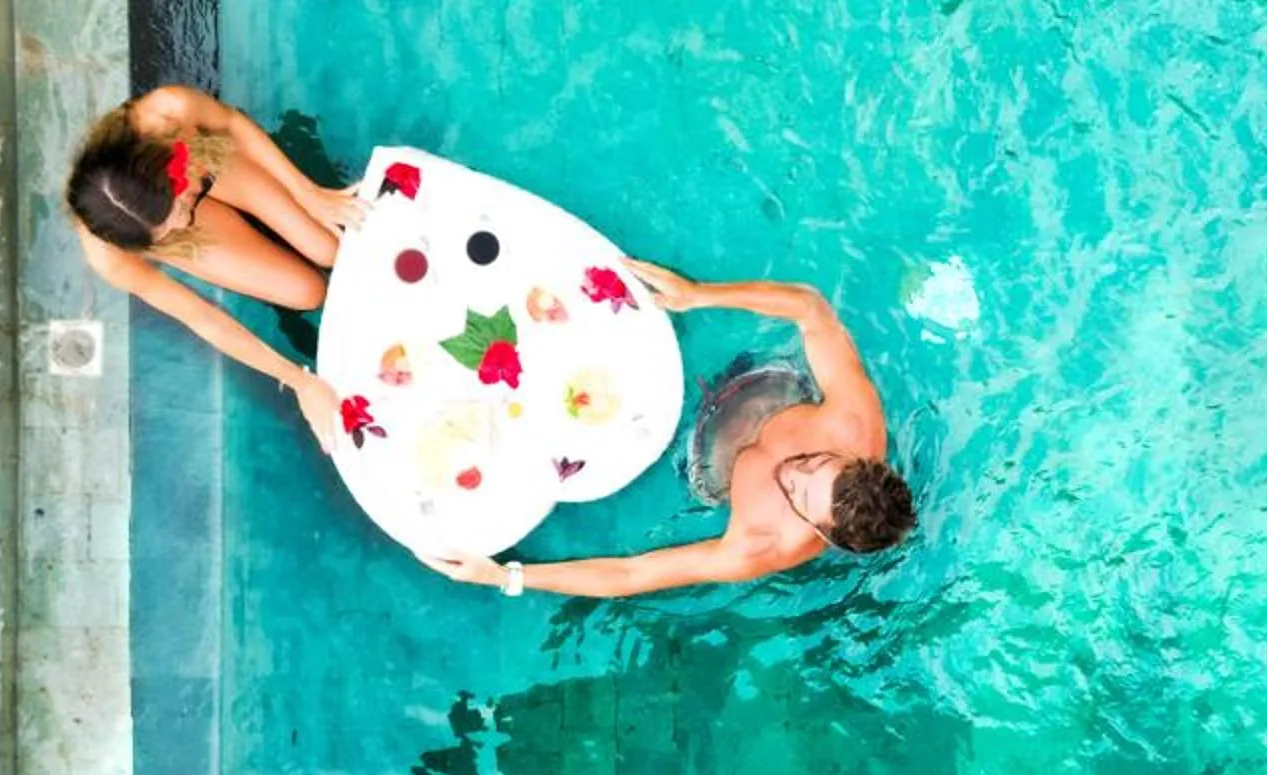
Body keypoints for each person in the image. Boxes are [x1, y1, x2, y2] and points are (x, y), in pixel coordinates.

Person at [424, 261, 915, 598]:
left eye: (801, 494)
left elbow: (634, 573)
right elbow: (812, 309)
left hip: (709, 458)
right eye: (816, 462)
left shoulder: (759, 545)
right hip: (767, 388)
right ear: (855, 457)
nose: (793, 470)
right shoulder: (855, 420)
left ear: (821, 534)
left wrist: (505, 576)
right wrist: (698, 295)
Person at [66, 85, 356, 447]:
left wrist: (308, 193)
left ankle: (197, 205)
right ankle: (176, 225)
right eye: (168, 229)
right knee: (307, 292)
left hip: (208, 164)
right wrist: (300, 380)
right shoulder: (110, 258)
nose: (184, 222)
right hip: (175, 212)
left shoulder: (168, 111)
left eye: (178, 212)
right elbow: (200, 316)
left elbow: (232, 122)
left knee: (329, 249)